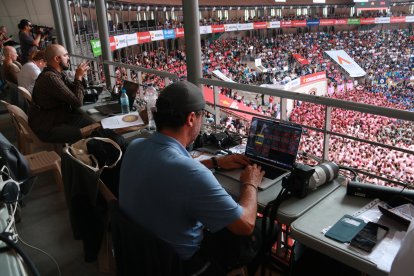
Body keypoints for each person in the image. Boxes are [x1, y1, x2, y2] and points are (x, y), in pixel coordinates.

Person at [119, 81, 265, 275]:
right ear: (191, 118)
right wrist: (250, 183)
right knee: (258, 230)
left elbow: (170, 170)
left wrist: (216, 162)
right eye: (202, 115)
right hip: (180, 266)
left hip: (139, 257)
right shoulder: (191, 174)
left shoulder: (135, 146)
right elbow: (245, 224)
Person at [28, 44, 95, 143]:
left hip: (55, 118)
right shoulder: (50, 78)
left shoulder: (58, 74)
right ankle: (81, 154)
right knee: (94, 127)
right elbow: (77, 101)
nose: (68, 58)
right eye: (66, 55)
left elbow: (73, 90)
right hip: (48, 127)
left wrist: (81, 77)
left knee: (90, 121)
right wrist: (78, 77)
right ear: (57, 59)